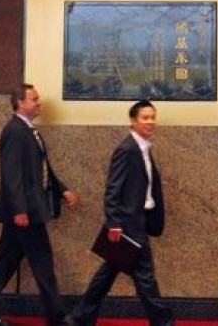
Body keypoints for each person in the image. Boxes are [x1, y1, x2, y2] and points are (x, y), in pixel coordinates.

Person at [0, 84, 78, 326]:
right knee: (42, 262)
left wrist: (61, 189)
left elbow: (41, 169)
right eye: (35, 99)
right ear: (20, 103)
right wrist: (20, 210)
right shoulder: (14, 131)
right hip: (25, 213)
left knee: (4, 263)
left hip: (26, 211)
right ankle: (57, 317)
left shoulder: (29, 131)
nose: (39, 102)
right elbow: (11, 176)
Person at [67, 100, 174, 326]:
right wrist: (114, 223)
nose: (151, 121)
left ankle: (79, 318)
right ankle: (163, 321)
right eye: (145, 118)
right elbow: (112, 189)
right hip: (128, 223)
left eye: (153, 117)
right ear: (133, 121)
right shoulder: (126, 149)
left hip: (140, 220)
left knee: (108, 273)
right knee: (145, 277)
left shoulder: (143, 148)